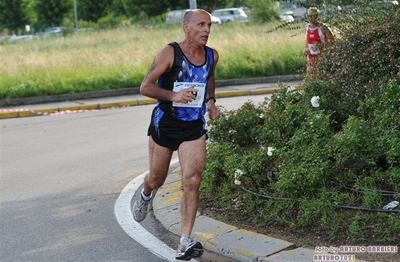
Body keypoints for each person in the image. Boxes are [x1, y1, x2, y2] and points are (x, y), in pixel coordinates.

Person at [131, 9, 220, 261]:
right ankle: (147, 194)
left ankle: (184, 240)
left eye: (209, 25)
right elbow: (145, 86)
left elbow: (209, 76)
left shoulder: (212, 55)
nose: (206, 30)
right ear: (186, 28)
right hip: (166, 124)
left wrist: (211, 101)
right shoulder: (170, 53)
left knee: (192, 179)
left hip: (193, 126)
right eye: (201, 24)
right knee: (157, 178)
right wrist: (174, 96)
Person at [303, 7, 334, 73]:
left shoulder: (323, 28)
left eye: (312, 16)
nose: (310, 18)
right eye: (309, 16)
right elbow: (307, 39)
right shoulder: (307, 27)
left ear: (316, 16)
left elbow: (333, 42)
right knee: (309, 73)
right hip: (311, 55)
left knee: (321, 75)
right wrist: (306, 48)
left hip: (322, 56)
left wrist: (321, 45)